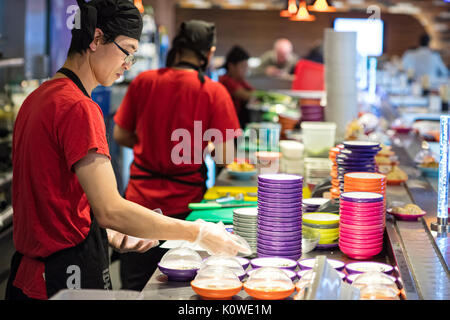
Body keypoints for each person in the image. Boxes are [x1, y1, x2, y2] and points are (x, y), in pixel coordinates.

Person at [6, 1, 247, 301]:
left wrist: (106, 234)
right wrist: (199, 233)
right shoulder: (80, 108)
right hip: (63, 279)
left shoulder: (38, 98)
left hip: (27, 277)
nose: (128, 64)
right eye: (127, 51)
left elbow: (52, 202)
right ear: (96, 40)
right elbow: (110, 210)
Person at [112, 20, 242, 291]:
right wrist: (203, 146)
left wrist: (149, 142)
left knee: (135, 289)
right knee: (179, 289)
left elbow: (121, 136)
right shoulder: (212, 91)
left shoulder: (144, 82)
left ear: (177, 49)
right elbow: (226, 155)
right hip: (186, 212)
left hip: (138, 207)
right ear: (208, 53)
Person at [219, 45, 254, 128]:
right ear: (231, 66)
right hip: (226, 125)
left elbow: (253, 92)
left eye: (246, 66)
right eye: (243, 66)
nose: (246, 70)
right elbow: (246, 95)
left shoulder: (240, 80)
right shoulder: (225, 80)